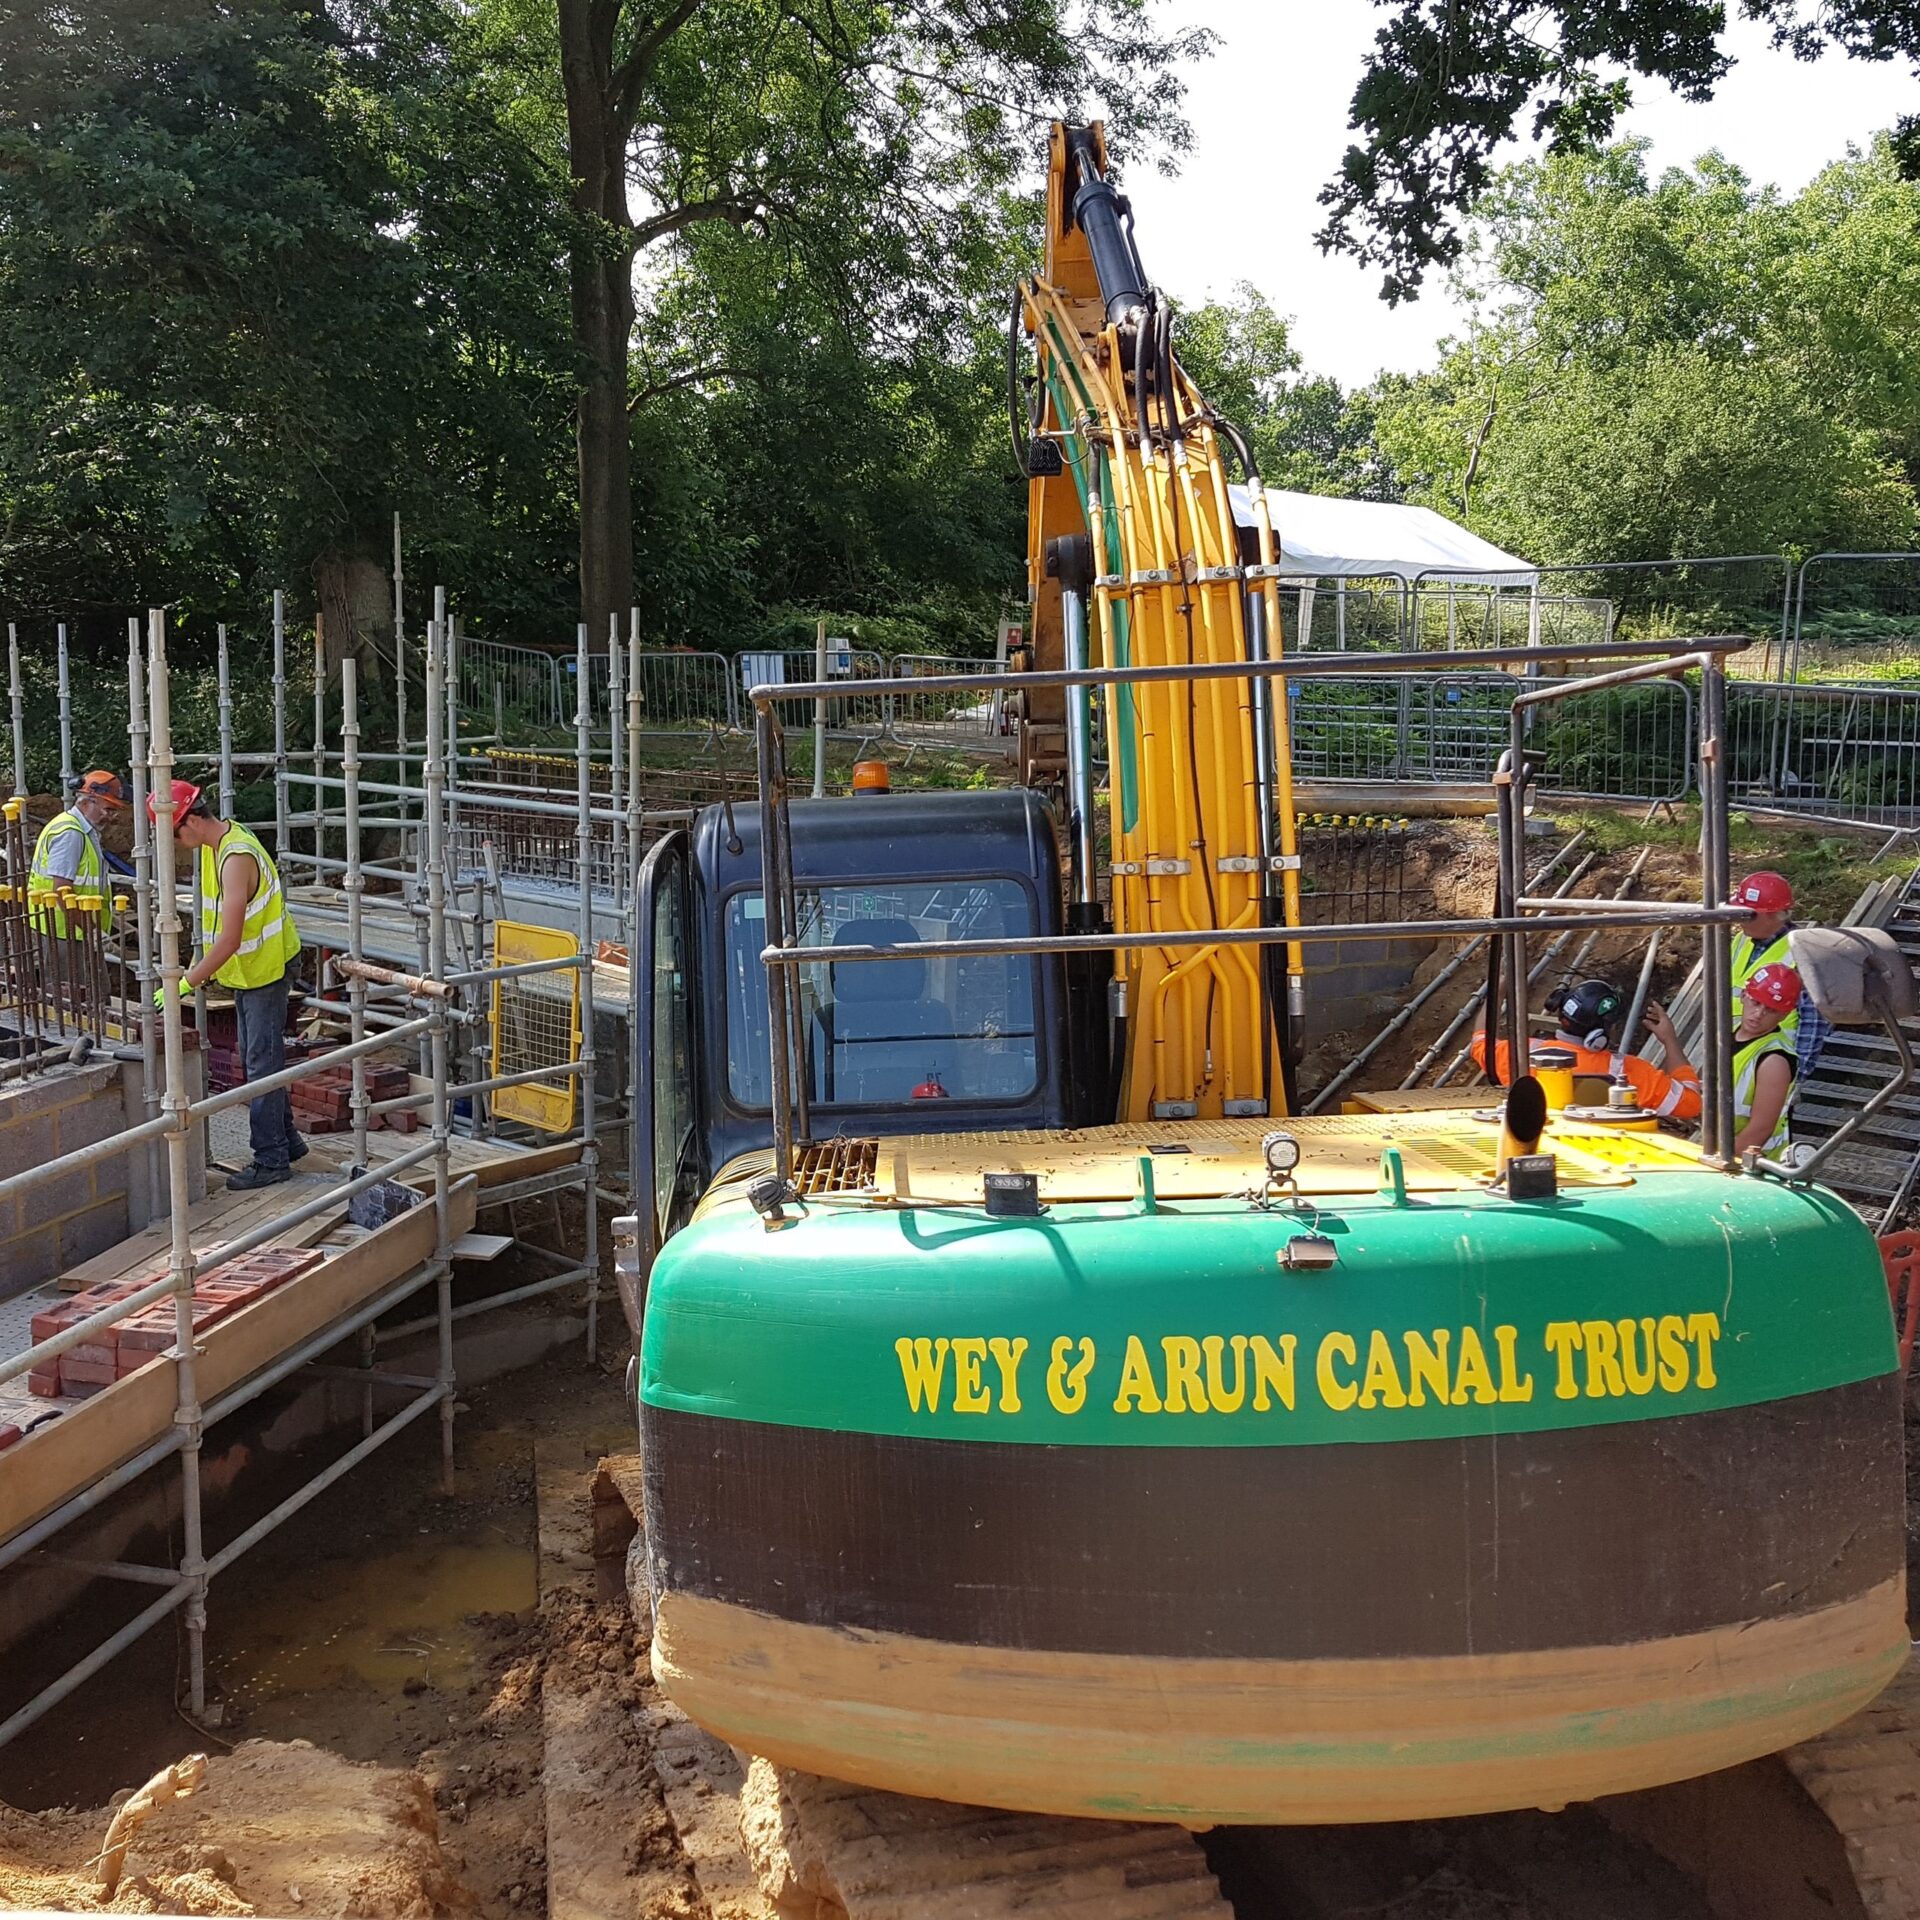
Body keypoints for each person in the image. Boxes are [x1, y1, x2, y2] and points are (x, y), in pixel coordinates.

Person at [151, 779, 305, 1189]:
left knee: (261, 1066)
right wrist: (194, 970)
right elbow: (219, 926)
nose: (176, 843)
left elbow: (231, 938)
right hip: (251, 970)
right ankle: (287, 1142)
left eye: (174, 834)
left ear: (191, 821)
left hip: (266, 970)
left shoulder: (235, 857)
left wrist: (185, 982)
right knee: (260, 1057)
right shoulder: (220, 844)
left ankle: (271, 1160)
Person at [1471, 977, 1702, 1122]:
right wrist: (1670, 1041)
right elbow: (1691, 1103)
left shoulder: (1519, 1054)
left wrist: (1497, 993)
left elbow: (1480, 1041)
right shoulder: (1630, 1072)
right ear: (1600, 1034)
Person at [1729, 868, 1831, 1079]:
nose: (1740, 920)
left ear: (1772, 915)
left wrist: (1797, 1073)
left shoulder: (1804, 952)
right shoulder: (1740, 941)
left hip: (1773, 1062)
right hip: (1734, 1057)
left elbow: (1813, 1021)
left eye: (1747, 915)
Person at [28, 771, 129, 937]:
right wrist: (93, 932)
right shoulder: (71, 834)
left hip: (71, 930)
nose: (111, 817)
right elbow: (62, 891)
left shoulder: (84, 831)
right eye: (108, 809)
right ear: (87, 802)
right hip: (65, 933)